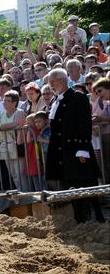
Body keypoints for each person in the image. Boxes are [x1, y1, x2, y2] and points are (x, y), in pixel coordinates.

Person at [46, 69, 105, 223]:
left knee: (88, 185)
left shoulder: (78, 97)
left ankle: (99, 218)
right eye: (49, 82)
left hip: (77, 149)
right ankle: (80, 219)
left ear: (63, 80)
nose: (51, 85)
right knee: (71, 187)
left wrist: (83, 150)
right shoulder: (55, 101)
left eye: (53, 81)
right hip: (62, 151)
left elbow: (84, 124)